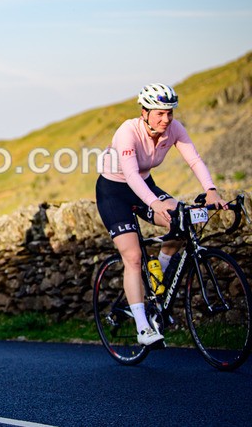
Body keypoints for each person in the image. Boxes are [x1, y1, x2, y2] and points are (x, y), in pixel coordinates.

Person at [96, 83, 226, 346]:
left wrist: (211, 190)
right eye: (160, 113)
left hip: (145, 185)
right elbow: (130, 174)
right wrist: (155, 204)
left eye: (170, 113)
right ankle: (143, 328)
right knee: (133, 257)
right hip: (114, 191)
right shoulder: (127, 131)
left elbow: (194, 160)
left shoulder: (174, 129)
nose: (166, 119)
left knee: (181, 221)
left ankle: (158, 277)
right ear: (144, 113)